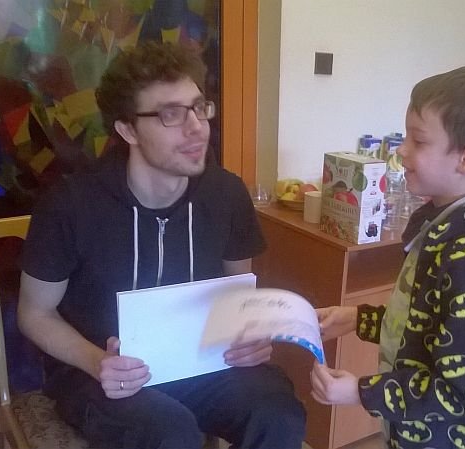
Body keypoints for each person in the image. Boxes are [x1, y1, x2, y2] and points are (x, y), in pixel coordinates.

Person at [17, 41, 305, 449]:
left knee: (277, 412)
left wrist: (250, 336)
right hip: (98, 374)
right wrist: (97, 362)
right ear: (128, 130)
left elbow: (238, 297)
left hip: (199, 362)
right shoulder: (71, 204)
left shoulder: (226, 194)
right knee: (169, 433)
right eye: (171, 114)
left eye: (198, 107)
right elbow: (34, 313)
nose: (196, 127)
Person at [312, 66, 465, 449]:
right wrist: (357, 318)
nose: (402, 149)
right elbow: (424, 328)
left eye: (419, 140)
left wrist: (361, 391)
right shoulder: (442, 224)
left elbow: (460, 392)